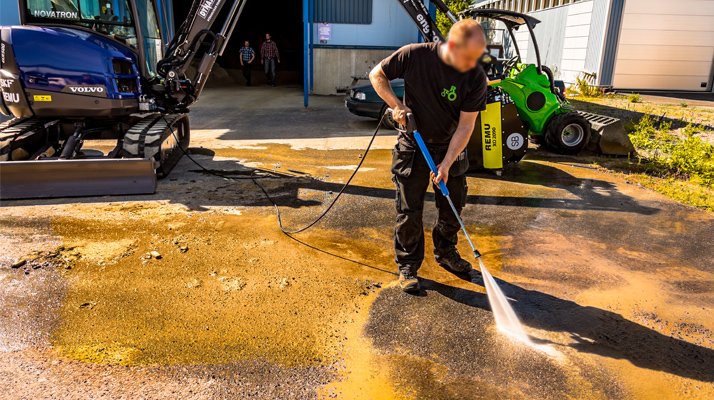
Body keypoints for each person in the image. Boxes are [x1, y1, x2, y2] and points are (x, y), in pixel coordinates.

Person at [368, 19, 488, 293]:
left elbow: (466, 126)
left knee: (453, 205)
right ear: (452, 45)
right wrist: (397, 106)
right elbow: (377, 75)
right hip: (413, 144)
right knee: (409, 210)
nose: (472, 63)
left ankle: (446, 252)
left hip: (450, 147)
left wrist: (446, 163)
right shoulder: (414, 55)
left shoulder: (475, 76)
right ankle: (408, 265)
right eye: (467, 57)